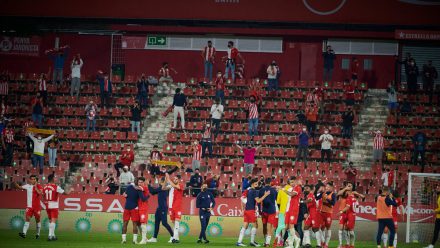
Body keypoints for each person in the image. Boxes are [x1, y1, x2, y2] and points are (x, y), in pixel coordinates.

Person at [236, 178, 270, 247]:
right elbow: (258, 201)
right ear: (252, 184)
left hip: (246, 210)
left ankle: (239, 242)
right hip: (251, 211)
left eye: (257, 184)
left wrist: (242, 209)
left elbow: (241, 199)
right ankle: (252, 242)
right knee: (255, 225)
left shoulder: (247, 190)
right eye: (256, 184)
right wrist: (265, 195)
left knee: (245, 225)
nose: (257, 185)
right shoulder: (254, 191)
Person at [121, 177, 149, 244]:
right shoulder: (139, 189)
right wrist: (148, 196)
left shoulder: (129, 187)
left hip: (127, 207)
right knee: (135, 224)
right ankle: (134, 240)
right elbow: (143, 199)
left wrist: (125, 195)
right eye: (139, 182)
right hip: (134, 208)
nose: (140, 183)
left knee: (125, 223)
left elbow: (125, 194)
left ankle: (123, 240)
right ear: (137, 182)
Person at [15, 175, 43, 239]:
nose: (33, 180)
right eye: (32, 179)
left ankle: (38, 234)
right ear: (30, 180)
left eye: (34, 179)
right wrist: (15, 182)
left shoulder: (39, 186)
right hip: (29, 207)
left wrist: (36, 187)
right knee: (27, 219)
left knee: (38, 220)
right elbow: (19, 187)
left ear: (36, 180)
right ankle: (24, 233)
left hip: (37, 207)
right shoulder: (27, 186)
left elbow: (40, 193)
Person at [147, 177, 174, 243]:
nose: (158, 181)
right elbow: (153, 193)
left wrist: (148, 184)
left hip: (163, 208)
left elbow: (152, 191)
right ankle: (154, 238)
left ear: (162, 182)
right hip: (159, 208)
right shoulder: (160, 188)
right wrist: (149, 186)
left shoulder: (163, 188)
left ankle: (173, 236)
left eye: (159, 180)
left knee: (164, 223)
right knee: (156, 222)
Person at [339, 182, 365, 248]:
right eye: (348, 185)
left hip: (349, 213)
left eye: (350, 185)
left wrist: (359, 195)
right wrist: (345, 188)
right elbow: (338, 194)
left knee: (349, 229)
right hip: (344, 213)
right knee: (344, 228)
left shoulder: (353, 193)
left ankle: (352, 244)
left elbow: (363, 197)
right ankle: (346, 244)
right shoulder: (344, 192)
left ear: (352, 187)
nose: (349, 186)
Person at [43, 174, 67, 241]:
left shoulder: (45, 187)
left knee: (51, 221)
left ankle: (53, 235)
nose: (56, 178)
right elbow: (65, 193)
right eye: (55, 177)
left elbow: (43, 195)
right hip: (54, 205)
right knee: (53, 221)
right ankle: (49, 236)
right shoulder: (56, 187)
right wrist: (70, 190)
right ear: (52, 179)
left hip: (47, 205)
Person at [282, 177, 302, 248]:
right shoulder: (291, 189)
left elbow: (291, 194)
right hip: (289, 209)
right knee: (287, 227)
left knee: (291, 226)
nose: (292, 183)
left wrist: (284, 190)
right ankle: (296, 239)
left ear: (296, 181)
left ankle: (290, 244)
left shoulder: (298, 188)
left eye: (293, 182)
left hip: (294, 209)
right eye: (291, 182)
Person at [166, 173, 185, 243]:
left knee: (177, 222)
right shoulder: (171, 186)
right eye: (174, 179)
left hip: (178, 207)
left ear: (179, 180)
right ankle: (176, 238)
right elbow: (163, 188)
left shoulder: (180, 185)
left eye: (176, 179)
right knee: (174, 222)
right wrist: (166, 179)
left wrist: (168, 179)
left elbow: (175, 186)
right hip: (171, 207)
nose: (175, 180)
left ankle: (174, 238)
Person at [259, 178, 278, 247]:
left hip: (264, 210)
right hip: (272, 210)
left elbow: (259, 201)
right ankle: (267, 243)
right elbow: (277, 200)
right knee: (269, 227)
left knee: (264, 226)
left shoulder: (261, 190)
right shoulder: (274, 190)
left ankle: (266, 241)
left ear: (264, 182)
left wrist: (259, 210)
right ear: (270, 183)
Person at [318, 182, 337, 248]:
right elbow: (317, 197)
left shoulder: (333, 194)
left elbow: (333, 203)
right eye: (327, 187)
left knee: (328, 228)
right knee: (320, 228)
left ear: (332, 188)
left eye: (328, 187)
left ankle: (326, 244)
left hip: (328, 213)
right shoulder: (323, 193)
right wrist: (319, 191)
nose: (327, 188)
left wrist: (327, 199)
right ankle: (323, 241)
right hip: (322, 212)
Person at [137, 178, 151, 244]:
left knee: (143, 224)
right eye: (139, 182)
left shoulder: (144, 188)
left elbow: (143, 199)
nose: (139, 183)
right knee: (140, 224)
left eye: (141, 182)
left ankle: (143, 240)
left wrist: (131, 186)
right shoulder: (144, 188)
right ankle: (145, 238)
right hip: (140, 208)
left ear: (143, 183)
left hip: (143, 208)